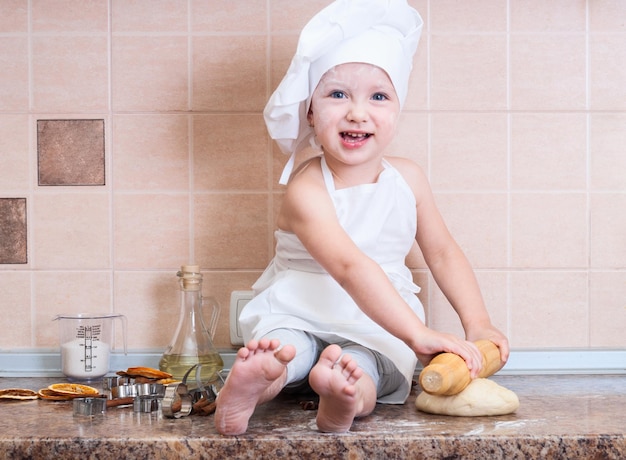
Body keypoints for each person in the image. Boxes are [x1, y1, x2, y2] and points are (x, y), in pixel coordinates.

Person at [214, 0, 509, 436]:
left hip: (379, 322)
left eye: (378, 96)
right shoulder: (306, 186)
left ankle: (342, 397)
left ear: (397, 109)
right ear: (310, 112)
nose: (357, 111)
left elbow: (443, 253)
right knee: (284, 348)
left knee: (367, 365)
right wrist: (418, 334)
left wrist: (478, 323)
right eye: (337, 94)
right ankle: (251, 386)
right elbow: (350, 267)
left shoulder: (409, 178)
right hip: (302, 308)